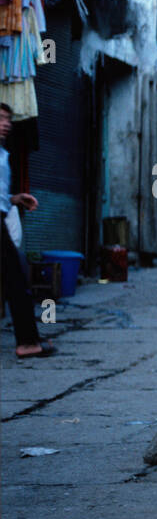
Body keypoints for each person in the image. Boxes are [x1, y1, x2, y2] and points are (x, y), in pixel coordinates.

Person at [0, 102, 54, 359]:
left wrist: (14, 199)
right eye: (1, 118)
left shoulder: (2, 152)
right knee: (17, 279)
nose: (6, 123)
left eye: (8, 119)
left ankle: (29, 339)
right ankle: (28, 341)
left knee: (15, 278)